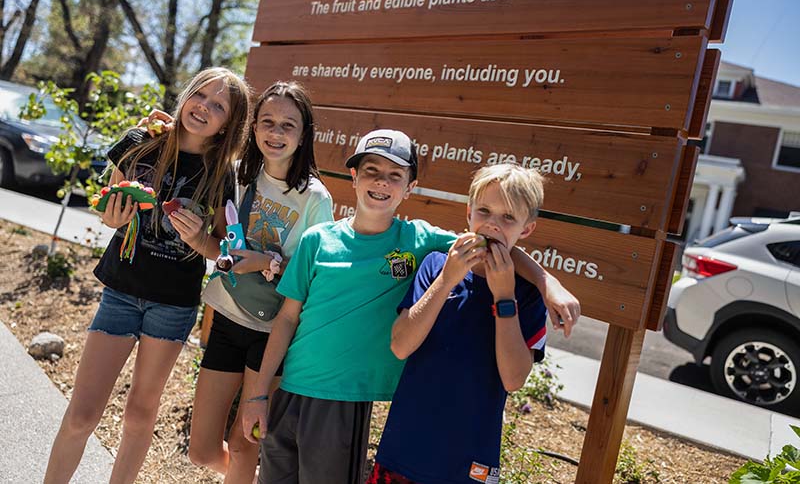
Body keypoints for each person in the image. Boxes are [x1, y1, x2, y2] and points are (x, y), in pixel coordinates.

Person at [241, 129, 580, 484]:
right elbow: (286, 320)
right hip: (292, 389)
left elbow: (492, 244)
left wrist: (545, 283)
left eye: (394, 175)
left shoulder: (419, 240)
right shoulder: (320, 241)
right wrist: (259, 392)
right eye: (372, 170)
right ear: (353, 176)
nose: (381, 183)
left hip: (347, 399)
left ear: (410, 187)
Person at [44, 67, 250, 484]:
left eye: (218, 106)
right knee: (83, 414)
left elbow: (222, 249)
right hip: (121, 291)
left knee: (140, 413)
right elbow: (108, 209)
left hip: (173, 304)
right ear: (186, 95)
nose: (204, 108)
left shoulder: (223, 174)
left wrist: (198, 241)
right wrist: (111, 215)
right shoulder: (142, 143)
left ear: (229, 122)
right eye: (200, 95)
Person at [187, 81, 333, 484]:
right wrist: (198, 238)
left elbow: (316, 274)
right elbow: (220, 246)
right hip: (228, 315)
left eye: (288, 124)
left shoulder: (315, 199)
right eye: (267, 121)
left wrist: (267, 262)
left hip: (273, 331)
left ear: (304, 134)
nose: (276, 132)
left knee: (242, 443)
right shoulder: (238, 174)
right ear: (253, 128)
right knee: (201, 449)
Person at [369, 163, 548, 484]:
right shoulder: (437, 265)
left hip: (470, 461)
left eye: (508, 218)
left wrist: (504, 296)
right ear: (468, 213)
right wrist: (448, 280)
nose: (493, 225)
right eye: (484, 211)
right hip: (405, 449)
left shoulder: (529, 293)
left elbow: (513, 379)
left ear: (526, 229)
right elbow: (400, 346)